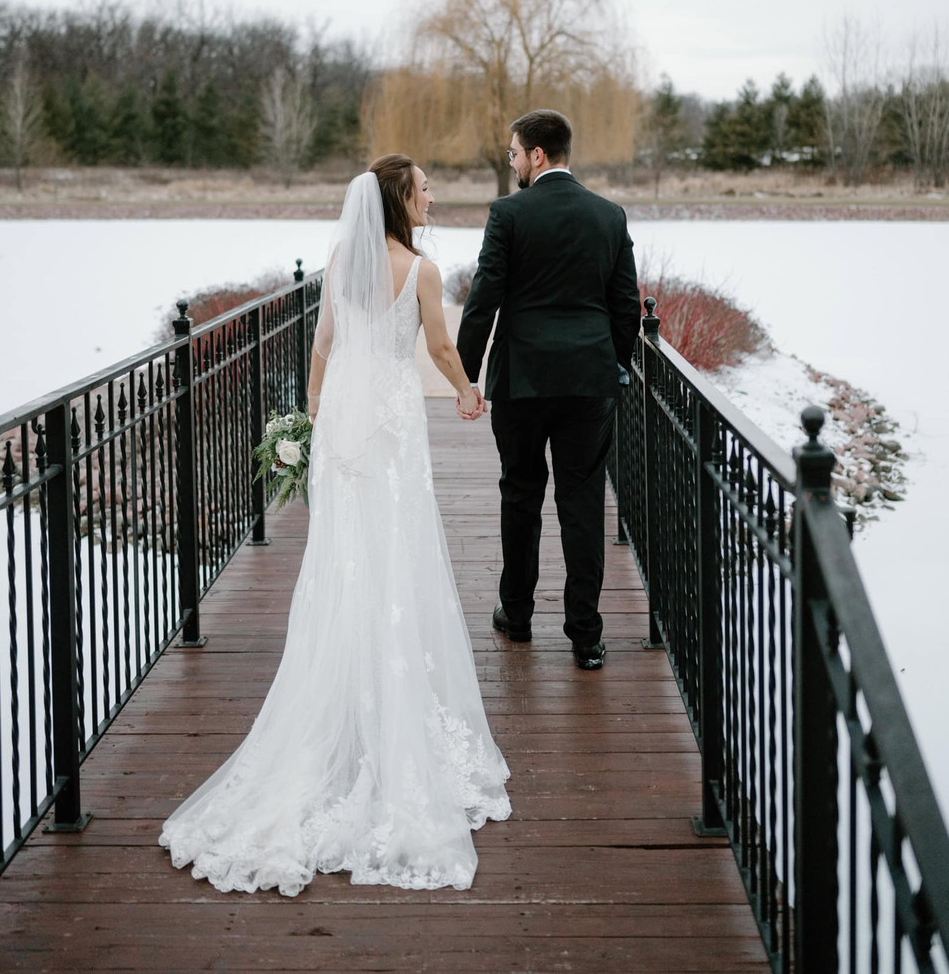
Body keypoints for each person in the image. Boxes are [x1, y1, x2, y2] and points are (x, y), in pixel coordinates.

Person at [160, 155, 510, 896]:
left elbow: (321, 344)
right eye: (424, 186)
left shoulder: (340, 260)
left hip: (346, 420)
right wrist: (467, 391)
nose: (433, 194)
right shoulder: (422, 270)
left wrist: (314, 410)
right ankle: (385, 704)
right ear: (399, 199)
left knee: (341, 559)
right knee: (397, 554)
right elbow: (443, 349)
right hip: (391, 425)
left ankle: (341, 690)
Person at [456, 110, 642, 670]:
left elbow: (484, 297)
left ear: (537, 155)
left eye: (513, 153)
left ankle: (517, 615)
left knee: (521, 493)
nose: (511, 162)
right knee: (582, 502)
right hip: (589, 382)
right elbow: (627, 305)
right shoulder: (609, 216)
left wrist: (465, 375)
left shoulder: (508, 214)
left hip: (522, 379)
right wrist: (615, 365)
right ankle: (585, 633)